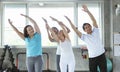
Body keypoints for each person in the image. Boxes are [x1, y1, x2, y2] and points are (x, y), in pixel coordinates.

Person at [65, 5, 107, 72]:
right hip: (92, 58)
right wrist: (69, 21)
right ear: (84, 30)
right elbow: (75, 30)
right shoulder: (84, 37)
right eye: (86, 28)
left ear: (91, 26)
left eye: (89, 26)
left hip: (101, 55)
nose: (88, 28)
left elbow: (94, 20)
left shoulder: (96, 31)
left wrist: (87, 11)